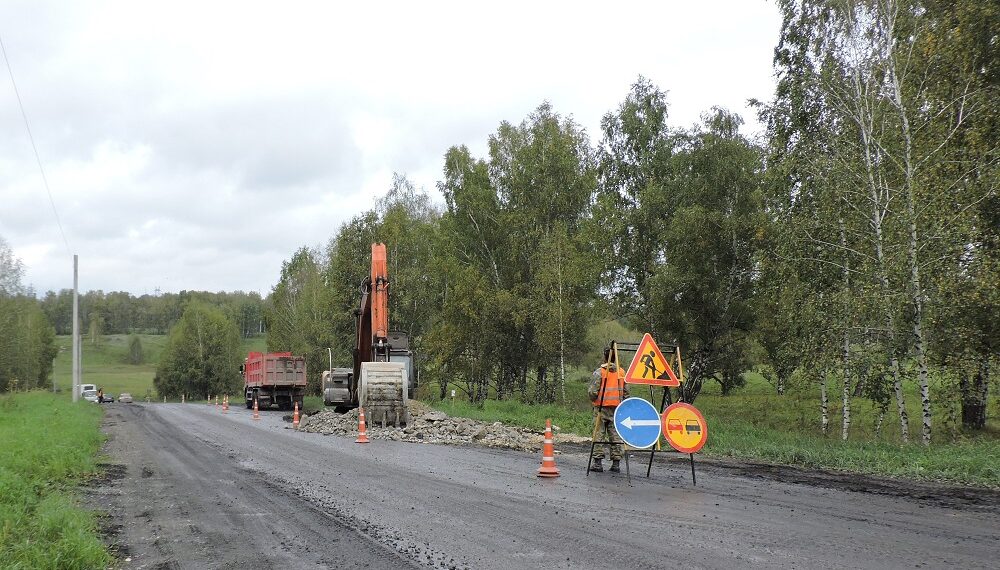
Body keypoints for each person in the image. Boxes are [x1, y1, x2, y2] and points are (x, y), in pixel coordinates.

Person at [588, 348, 629, 473]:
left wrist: (593, 399)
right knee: (615, 435)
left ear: (605, 357)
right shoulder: (621, 373)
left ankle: (598, 463)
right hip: (617, 409)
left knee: (598, 434)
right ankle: (616, 464)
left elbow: (592, 392)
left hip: (601, 408)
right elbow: (627, 393)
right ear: (616, 357)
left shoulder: (600, 372)